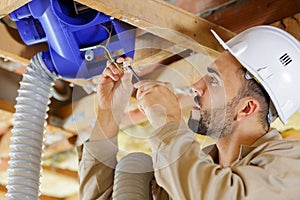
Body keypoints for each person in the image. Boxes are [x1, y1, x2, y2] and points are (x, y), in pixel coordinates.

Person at [77, 25, 300, 199]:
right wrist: (110, 112)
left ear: (246, 108)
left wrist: (169, 121)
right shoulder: (189, 171)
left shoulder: (290, 169)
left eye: (213, 80)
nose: (196, 85)